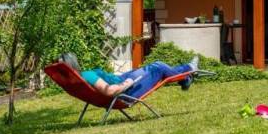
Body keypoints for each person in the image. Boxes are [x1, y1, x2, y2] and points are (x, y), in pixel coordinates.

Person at [60, 52, 199, 99]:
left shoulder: (75, 81)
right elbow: (110, 91)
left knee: (155, 70)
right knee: (158, 66)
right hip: (127, 91)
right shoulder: (87, 75)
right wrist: (126, 83)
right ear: (74, 64)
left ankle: (185, 77)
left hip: (121, 79)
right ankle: (189, 70)